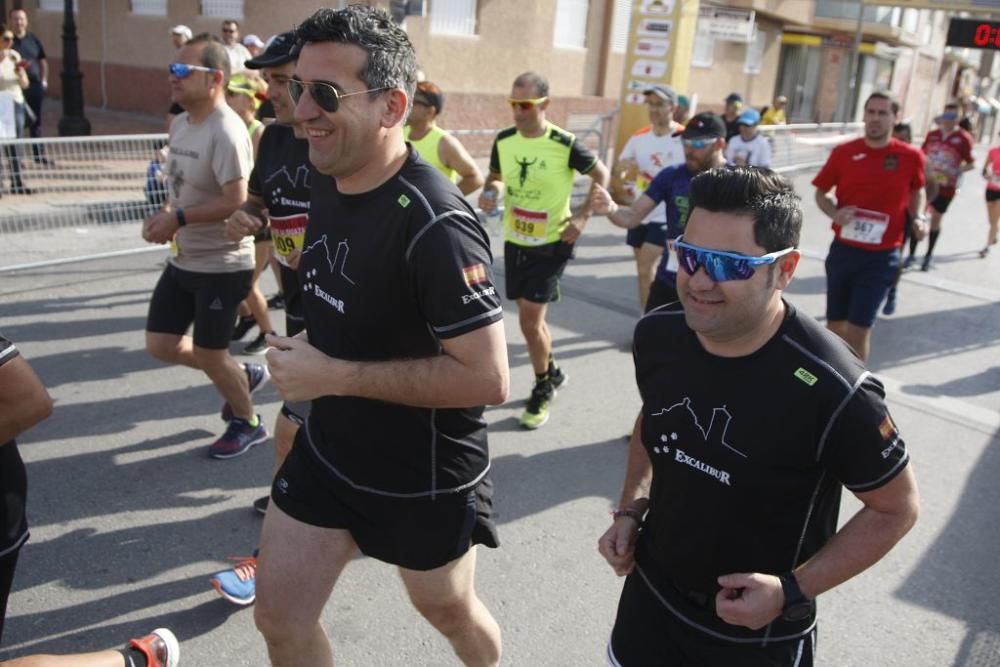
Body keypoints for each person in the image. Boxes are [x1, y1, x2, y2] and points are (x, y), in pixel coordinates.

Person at [253, 7, 508, 667]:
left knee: (446, 609)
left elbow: (488, 378)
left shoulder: (436, 223)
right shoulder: (327, 171)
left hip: (420, 478)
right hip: (329, 454)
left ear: (393, 106)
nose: (299, 108)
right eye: (294, 86)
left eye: (324, 93)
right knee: (279, 618)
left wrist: (331, 374)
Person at [598, 166, 919, 667]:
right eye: (692, 256)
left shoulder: (835, 387)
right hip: (651, 599)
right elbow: (654, 417)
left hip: (756, 633)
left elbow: (897, 507)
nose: (700, 281)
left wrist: (793, 589)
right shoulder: (658, 333)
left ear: (784, 270)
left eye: (730, 265)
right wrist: (630, 506)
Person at [208, 30, 310, 606]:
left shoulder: (339, 142)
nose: (267, 90)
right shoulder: (272, 137)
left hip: (346, 313)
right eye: (266, 79)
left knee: (293, 425)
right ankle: (315, 507)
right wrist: (250, 217)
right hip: (299, 303)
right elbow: (258, 199)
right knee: (312, 426)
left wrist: (276, 229)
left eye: (278, 79)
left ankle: (277, 552)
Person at [142, 34, 268, 460]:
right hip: (184, 257)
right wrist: (164, 213)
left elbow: (236, 199)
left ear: (214, 78)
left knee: (210, 353)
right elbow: (179, 187)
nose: (173, 78)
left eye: (182, 71)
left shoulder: (227, 131)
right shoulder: (180, 123)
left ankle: (248, 422)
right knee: (160, 344)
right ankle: (241, 374)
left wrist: (176, 219)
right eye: (172, 70)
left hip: (222, 263)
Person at [478, 71, 609, 429]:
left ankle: (542, 386)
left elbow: (602, 174)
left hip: (553, 241)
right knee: (530, 317)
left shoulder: (565, 143)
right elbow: (497, 178)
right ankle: (551, 368)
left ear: (544, 105)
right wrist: (492, 193)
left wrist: (582, 218)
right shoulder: (504, 140)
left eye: (526, 104)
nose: (518, 111)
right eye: (513, 104)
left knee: (529, 321)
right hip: (516, 239)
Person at [813, 91, 926, 361]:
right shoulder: (844, 153)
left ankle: (855, 388)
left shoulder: (910, 156)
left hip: (882, 257)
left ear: (895, 118)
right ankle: (833, 380)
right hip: (843, 251)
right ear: (863, 115)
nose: (875, 118)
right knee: (835, 326)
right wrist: (835, 213)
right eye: (871, 112)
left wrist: (919, 216)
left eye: (882, 113)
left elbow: (917, 190)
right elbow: (821, 193)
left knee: (859, 328)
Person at [593, 112, 728, 312]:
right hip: (669, 281)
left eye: (698, 144)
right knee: (652, 338)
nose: (689, 150)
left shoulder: (736, 182)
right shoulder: (671, 176)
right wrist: (611, 209)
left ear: (719, 145)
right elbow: (632, 217)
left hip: (711, 288)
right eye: (685, 142)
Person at [609, 84, 685, 313]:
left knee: (646, 268)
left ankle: (652, 319)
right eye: (650, 104)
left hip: (668, 214)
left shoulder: (683, 137)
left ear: (672, 107)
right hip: (640, 210)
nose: (653, 109)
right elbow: (620, 168)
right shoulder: (640, 136)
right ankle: (647, 318)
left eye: (659, 104)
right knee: (644, 271)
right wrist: (621, 173)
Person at [225, 71, 278, 356]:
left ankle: (268, 334)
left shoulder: (258, 131)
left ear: (248, 100)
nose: (227, 98)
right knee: (241, 281)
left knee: (247, 282)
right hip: (239, 216)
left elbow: (261, 177)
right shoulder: (231, 128)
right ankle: (248, 318)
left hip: (259, 218)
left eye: (232, 94)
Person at [909, 102, 975, 271]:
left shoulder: (964, 138)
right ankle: (911, 254)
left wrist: (956, 170)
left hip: (946, 187)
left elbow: (971, 163)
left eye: (953, 116)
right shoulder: (932, 135)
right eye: (946, 115)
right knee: (919, 216)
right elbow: (921, 155)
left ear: (959, 118)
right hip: (926, 184)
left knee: (936, 220)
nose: (949, 120)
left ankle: (928, 255)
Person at [404, 80, 484, 195]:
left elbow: (475, 179)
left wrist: (443, 200)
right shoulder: (400, 134)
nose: (408, 103)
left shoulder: (445, 143)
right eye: (409, 97)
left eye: (415, 101)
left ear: (430, 111)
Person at [9, 9, 46, 159]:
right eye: (16, 19)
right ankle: (19, 158)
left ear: (26, 21)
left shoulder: (33, 40)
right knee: (18, 124)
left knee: (35, 120)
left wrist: (44, 80)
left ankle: (38, 154)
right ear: (11, 21)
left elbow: (43, 61)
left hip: (35, 86)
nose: (19, 22)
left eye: (22, 19)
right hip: (16, 90)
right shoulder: (7, 42)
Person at [0, 23, 30, 196]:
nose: (10, 42)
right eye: (6, 39)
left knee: (16, 143)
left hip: (15, 102)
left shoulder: (14, 56)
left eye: (11, 39)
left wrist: (21, 73)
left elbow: (25, 84)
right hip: (0, 103)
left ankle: (17, 181)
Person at [981, 142, 1000, 258]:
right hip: (991, 189)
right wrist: (987, 174)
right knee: (991, 220)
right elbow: (984, 169)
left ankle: (987, 247)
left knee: (995, 220)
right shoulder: (993, 151)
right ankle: (994, 233)